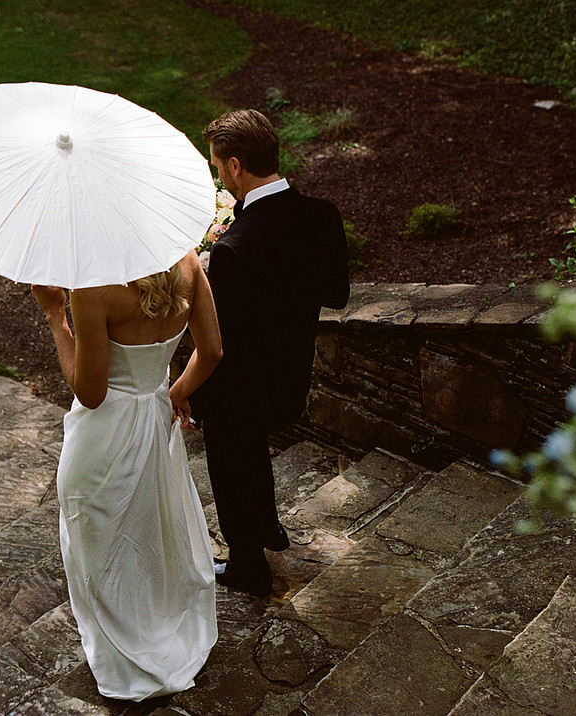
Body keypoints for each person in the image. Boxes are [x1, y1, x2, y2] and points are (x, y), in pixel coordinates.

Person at [31, 250, 222, 701]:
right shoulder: (188, 264)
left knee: (99, 542)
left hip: (105, 438)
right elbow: (212, 350)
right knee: (148, 532)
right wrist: (175, 391)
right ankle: (157, 631)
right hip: (154, 420)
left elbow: (91, 392)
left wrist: (56, 317)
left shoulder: (91, 289)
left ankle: (124, 655)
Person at [183, 108, 350, 598]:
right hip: (291, 381)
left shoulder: (236, 248)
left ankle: (248, 565)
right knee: (251, 448)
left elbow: (218, 343)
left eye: (219, 167)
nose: (220, 176)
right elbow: (336, 294)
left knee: (232, 464)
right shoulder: (322, 215)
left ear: (235, 166)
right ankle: (270, 527)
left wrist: (193, 397)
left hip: (240, 390)